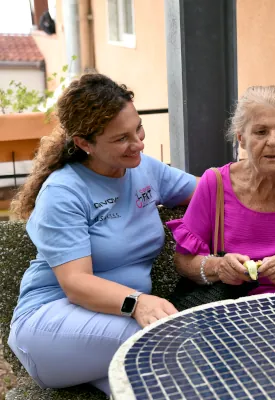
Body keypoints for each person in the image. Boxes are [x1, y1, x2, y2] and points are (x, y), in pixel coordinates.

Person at [8, 73, 198, 396]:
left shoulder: (144, 168)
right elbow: (76, 284)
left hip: (113, 322)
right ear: (84, 143)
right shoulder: (63, 192)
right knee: (156, 343)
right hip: (48, 323)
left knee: (153, 387)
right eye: (121, 138)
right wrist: (137, 303)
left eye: (137, 128)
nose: (138, 143)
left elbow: (209, 191)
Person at [167, 85, 275, 297]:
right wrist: (218, 267)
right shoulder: (215, 183)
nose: (273, 141)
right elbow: (182, 261)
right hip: (225, 313)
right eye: (261, 132)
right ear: (241, 138)